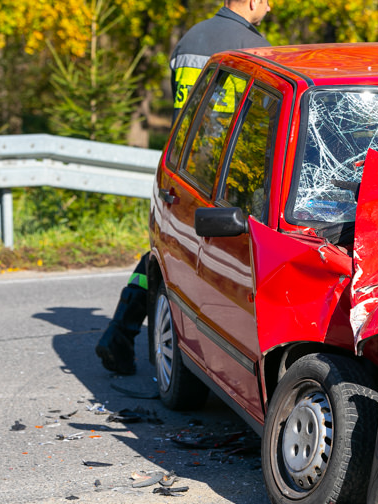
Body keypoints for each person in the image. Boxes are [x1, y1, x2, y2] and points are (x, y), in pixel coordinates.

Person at [95, 0, 271, 375]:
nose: (269, 9)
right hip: (223, 174)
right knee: (214, 265)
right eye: (268, 1)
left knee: (166, 253)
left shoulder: (191, 38)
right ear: (253, 1)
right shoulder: (249, 45)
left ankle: (119, 334)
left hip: (181, 163)